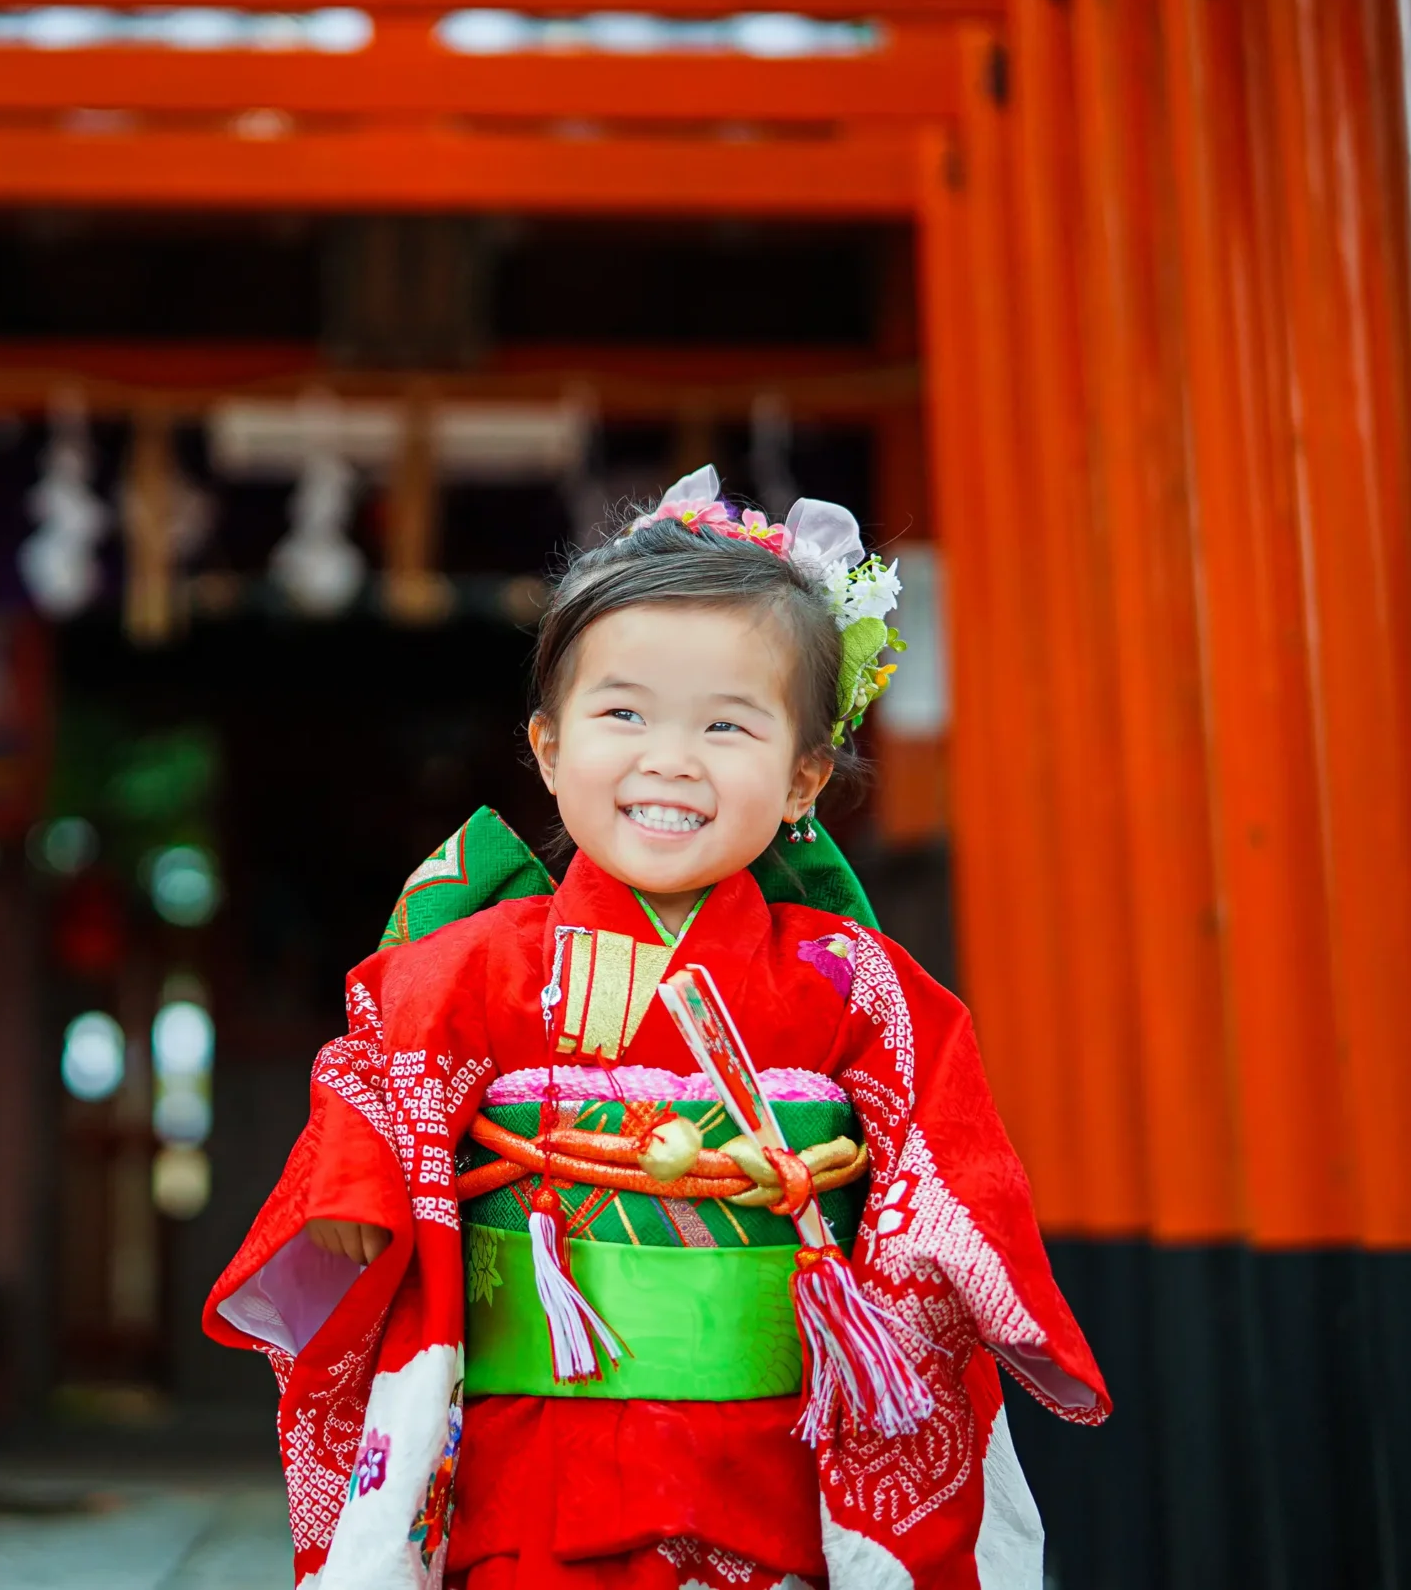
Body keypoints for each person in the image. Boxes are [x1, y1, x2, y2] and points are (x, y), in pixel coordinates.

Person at [204, 469, 1108, 1589]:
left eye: (727, 726)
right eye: (621, 713)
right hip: (533, 1441)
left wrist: (929, 1274)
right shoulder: (472, 964)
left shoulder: (847, 979)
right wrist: (355, 1190)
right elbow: (375, 1067)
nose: (669, 760)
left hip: (767, 1445)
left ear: (802, 780)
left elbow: (944, 1138)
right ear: (545, 747)